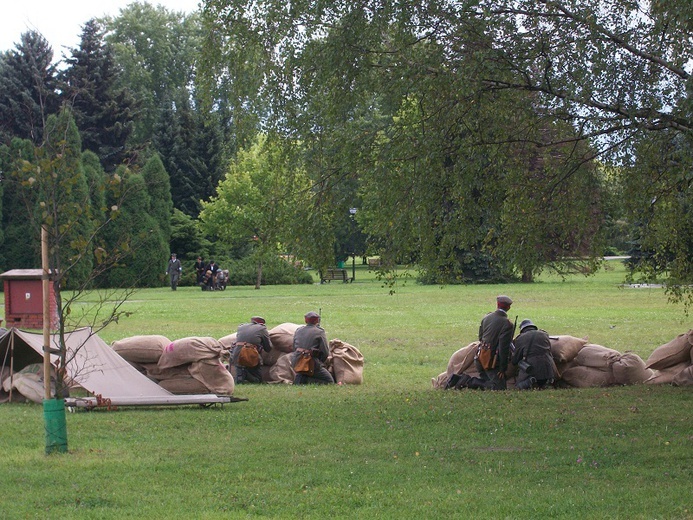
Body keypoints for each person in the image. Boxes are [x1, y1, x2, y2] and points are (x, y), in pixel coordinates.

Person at [448, 295, 514, 390]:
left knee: (486, 382)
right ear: (508, 307)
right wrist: (502, 369)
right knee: (499, 388)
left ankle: (466, 381)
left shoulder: (486, 318)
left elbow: (480, 337)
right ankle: (467, 381)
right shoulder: (507, 324)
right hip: (492, 362)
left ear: (497, 304)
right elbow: (503, 348)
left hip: (480, 357)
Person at [511, 319, 555, 390]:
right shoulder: (545, 334)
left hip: (531, 369)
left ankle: (530, 381)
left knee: (518, 387)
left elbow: (515, 360)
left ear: (522, 329)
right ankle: (546, 382)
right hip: (548, 368)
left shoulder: (520, 338)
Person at [291, 311, 334, 385]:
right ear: (317, 320)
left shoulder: (298, 330)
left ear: (305, 320)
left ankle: (301, 379)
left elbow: (294, 347)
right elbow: (325, 352)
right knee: (329, 381)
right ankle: (306, 380)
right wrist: (320, 363)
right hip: (310, 362)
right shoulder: (319, 331)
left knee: (303, 373)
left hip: (296, 360)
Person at [232, 316, 272, 384]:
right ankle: (250, 378)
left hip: (236, 354)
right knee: (257, 378)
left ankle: (242, 377)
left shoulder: (241, 327)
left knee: (240, 372)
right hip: (250, 356)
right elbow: (268, 347)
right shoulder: (262, 328)